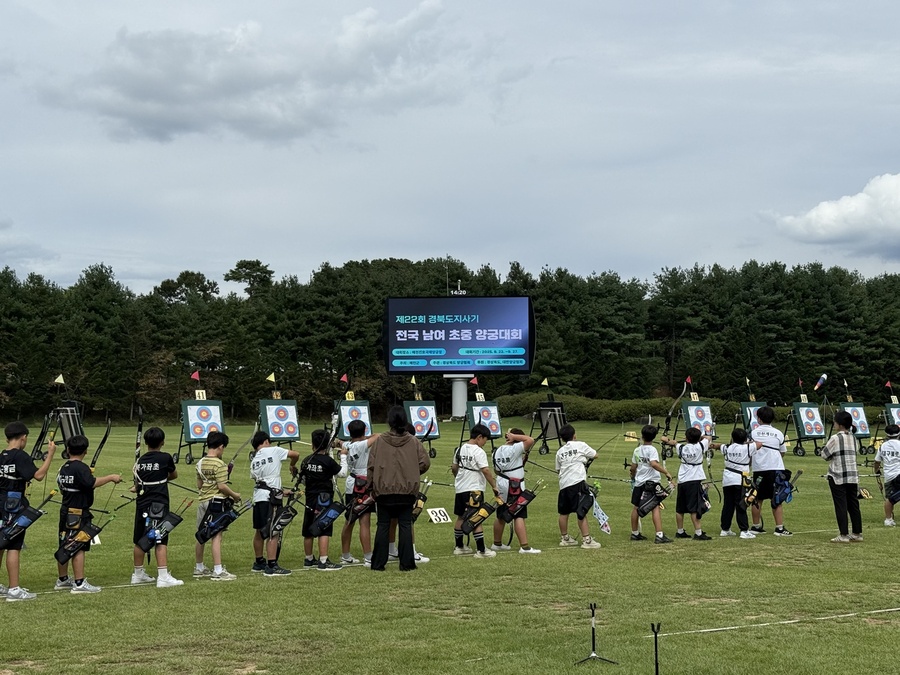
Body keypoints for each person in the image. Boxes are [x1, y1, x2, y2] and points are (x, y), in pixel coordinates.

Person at [56, 435, 122, 594]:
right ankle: (79, 583)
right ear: (85, 451)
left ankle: (63, 579)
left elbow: (62, 486)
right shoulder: (80, 468)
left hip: (66, 511)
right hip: (78, 513)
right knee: (78, 546)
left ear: (68, 450)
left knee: (65, 543)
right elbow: (91, 483)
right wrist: (111, 477)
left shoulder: (64, 467)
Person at [368, 406, 430, 571]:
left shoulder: (380, 441)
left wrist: (370, 486)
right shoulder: (413, 441)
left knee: (383, 525)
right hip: (406, 490)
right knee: (405, 525)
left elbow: (371, 465)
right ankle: (407, 563)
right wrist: (413, 472)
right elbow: (425, 463)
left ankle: (378, 563)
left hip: (384, 490)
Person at [0, 421, 56, 602]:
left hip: (1, 503)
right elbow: (38, 476)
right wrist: (50, 456)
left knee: (1, 542)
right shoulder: (20, 456)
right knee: (13, 545)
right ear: (23, 437)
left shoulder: (2, 455)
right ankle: (14, 589)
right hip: (13, 505)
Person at [131, 427, 183, 588]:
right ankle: (163, 576)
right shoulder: (165, 457)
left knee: (141, 538)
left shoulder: (140, 461)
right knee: (160, 537)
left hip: (142, 503)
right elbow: (174, 475)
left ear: (146, 443)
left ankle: (138, 574)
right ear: (162, 442)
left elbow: (137, 482)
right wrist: (161, 478)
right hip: (158, 504)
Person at [249, 431, 299, 576]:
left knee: (259, 530)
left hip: (259, 497)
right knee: (274, 530)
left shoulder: (254, 461)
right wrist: (292, 465)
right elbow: (295, 454)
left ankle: (259, 562)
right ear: (265, 441)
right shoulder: (274, 450)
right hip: (271, 499)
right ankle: (272, 565)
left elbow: (264, 482)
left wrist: (282, 491)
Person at [194, 431, 242, 581]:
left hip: (203, 501)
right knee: (216, 535)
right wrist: (235, 495)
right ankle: (218, 570)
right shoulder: (220, 464)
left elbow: (200, 485)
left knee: (202, 533)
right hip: (215, 504)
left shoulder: (200, 462)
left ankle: (199, 567)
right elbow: (222, 486)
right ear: (221, 446)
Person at [299, 428, 345, 571]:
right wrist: (343, 456)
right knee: (324, 527)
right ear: (327, 445)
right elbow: (342, 473)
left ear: (313, 444)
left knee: (308, 527)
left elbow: (303, 480)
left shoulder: (307, 460)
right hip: (324, 498)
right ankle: (324, 561)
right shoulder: (328, 461)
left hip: (310, 498)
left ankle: (309, 559)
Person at [452, 423, 499, 558]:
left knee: (461, 516)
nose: (484, 443)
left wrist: (459, 479)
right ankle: (481, 550)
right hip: (474, 490)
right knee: (477, 517)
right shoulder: (479, 451)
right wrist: (494, 486)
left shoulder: (459, 449)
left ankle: (459, 546)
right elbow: (485, 470)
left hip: (460, 489)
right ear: (479, 437)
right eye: (485, 440)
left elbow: (454, 467)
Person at [492, 428, 541, 553]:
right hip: (514, 486)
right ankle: (524, 547)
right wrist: (514, 436)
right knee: (519, 513)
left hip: (501, 483)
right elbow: (530, 440)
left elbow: (496, 470)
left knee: (501, 514)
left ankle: (497, 544)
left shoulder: (497, 450)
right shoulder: (515, 448)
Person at [556, 424, 602, 549]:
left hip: (564, 484)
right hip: (577, 483)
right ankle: (587, 540)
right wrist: (583, 459)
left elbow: (558, 469)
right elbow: (595, 455)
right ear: (574, 435)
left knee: (564, 512)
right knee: (581, 510)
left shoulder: (560, 451)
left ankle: (565, 538)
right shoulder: (580, 445)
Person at [748, 406, 792, 536]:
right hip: (776, 469)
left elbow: (749, 451)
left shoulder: (753, 433)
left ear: (758, 418)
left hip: (759, 469)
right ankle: (779, 528)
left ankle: (756, 526)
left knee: (757, 499)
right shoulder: (778, 433)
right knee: (777, 498)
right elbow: (782, 452)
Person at [662, 426, 712, 540]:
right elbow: (708, 437)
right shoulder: (701, 445)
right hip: (694, 480)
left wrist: (667, 440)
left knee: (680, 508)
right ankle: (698, 533)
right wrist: (700, 437)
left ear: (686, 438)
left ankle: (680, 531)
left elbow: (673, 443)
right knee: (694, 507)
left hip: (683, 480)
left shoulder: (681, 447)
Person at [821, 410, 863, 543]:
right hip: (852, 475)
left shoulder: (835, 438)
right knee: (853, 505)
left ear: (839, 424)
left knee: (841, 505)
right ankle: (857, 533)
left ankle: (843, 534)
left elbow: (824, 454)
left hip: (837, 475)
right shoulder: (853, 437)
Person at [338, 420, 377, 566]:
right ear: (364, 430)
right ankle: (368, 557)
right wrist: (367, 437)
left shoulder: (348, 445)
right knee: (364, 521)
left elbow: (341, 443)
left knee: (350, 519)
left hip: (352, 484)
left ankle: (345, 555)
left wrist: (339, 442)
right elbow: (378, 436)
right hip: (363, 485)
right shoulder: (361, 445)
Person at [629, 424, 674, 544]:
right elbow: (654, 464)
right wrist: (666, 473)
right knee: (655, 507)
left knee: (636, 507)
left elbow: (633, 467)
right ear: (653, 437)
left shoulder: (637, 450)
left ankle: (635, 533)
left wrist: (633, 476)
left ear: (642, 436)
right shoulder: (652, 450)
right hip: (651, 484)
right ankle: (659, 535)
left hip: (639, 483)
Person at [717, 428, 755, 539]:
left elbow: (718, 446)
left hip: (728, 480)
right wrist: (747, 442)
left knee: (728, 505)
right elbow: (759, 444)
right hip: (740, 480)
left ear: (732, 438)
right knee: (741, 504)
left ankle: (725, 529)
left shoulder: (727, 447)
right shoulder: (747, 447)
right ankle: (744, 530)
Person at [874, 424, 900, 527]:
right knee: (892, 499)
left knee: (890, 499)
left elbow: (877, 462)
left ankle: (888, 519)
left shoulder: (882, 446)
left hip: (888, 476)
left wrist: (877, 472)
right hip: (899, 474)